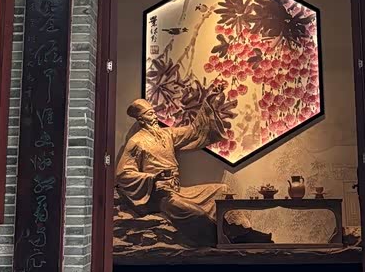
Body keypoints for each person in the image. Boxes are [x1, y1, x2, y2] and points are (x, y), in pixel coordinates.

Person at [115, 98, 271, 248]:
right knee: (196, 214)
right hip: (161, 196)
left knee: (222, 191)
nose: (155, 117)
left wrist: (209, 105)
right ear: (141, 120)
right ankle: (225, 240)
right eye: (150, 114)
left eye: (154, 113)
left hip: (178, 190)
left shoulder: (167, 134)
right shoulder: (136, 142)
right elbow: (123, 173)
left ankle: (243, 232)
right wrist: (152, 178)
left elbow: (193, 132)